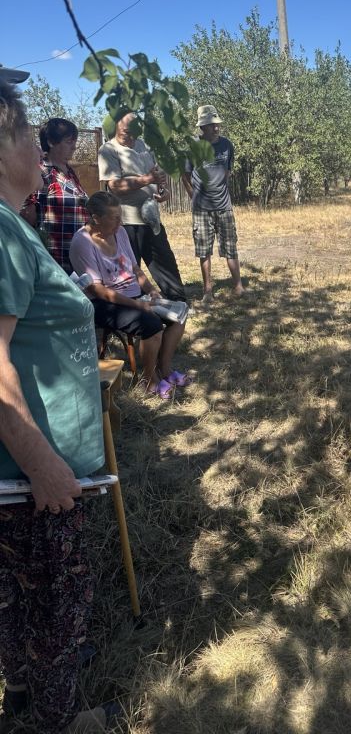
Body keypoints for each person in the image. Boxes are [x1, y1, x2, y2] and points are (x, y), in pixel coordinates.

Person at [0, 70, 115, 731]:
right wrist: (45, 465)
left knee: (20, 605)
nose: (40, 152)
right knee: (54, 606)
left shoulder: (12, 227)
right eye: (25, 135)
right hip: (32, 480)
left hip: (26, 477)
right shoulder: (2, 231)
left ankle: (23, 703)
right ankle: (61, 722)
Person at [70, 191, 189, 399]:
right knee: (152, 326)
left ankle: (165, 369)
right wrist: (137, 306)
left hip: (133, 297)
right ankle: (149, 379)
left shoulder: (120, 233)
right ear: (96, 218)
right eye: (114, 218)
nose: (119, 223)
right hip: (103, 303)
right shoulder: (82, 242)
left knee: (180, 313)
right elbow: (97, 290)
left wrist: (151, 290)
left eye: (120, 216)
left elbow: (136, 270)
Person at [97, 112, 187, 303]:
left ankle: (178, 301)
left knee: (165, 263)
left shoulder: (145, 147)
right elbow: (115, 186)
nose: (129, 136)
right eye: (124, 132)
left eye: (133, 132)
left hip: (152, 218)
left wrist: (164, 192)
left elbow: (157, 176)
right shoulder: (108, 150)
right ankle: (132, 310)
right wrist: (146, 180)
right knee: (129, 270)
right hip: (125, 223)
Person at [183, 104, 244, 303]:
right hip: (201, 208)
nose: (216, 128)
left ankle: (238, 286)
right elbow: (185, 175)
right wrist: (194, 195)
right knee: (204, 250)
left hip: (224, 206)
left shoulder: (227, 145)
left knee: (230, 246)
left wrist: (219, 188)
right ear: (202, 127)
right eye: (211, 125)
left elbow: (228, 170)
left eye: (217, 124)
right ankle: (207, 290)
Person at [24, 117, 89, 272]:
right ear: (51, 142)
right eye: (69, 142)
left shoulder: (70, 172)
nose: (74, 147)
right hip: (56, 262)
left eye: (74, 141)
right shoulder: (41, 172)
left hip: (78, 258)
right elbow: (28, 219)